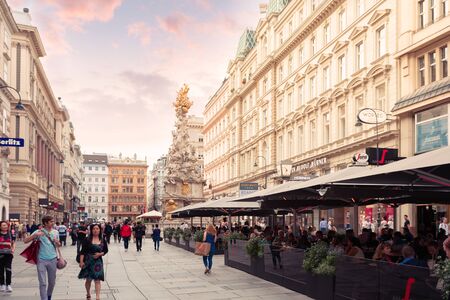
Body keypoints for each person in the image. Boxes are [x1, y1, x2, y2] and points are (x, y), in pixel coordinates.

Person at [24, 215, 61, 300]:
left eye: (53, 221)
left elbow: (58, 245)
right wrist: (35, 235)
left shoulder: (55, 232)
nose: (53, 223)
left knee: (52, 282)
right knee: (43, 282)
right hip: (41, 260)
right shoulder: (38, 231)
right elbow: (25, 241)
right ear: (45, 223)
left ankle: (49, 296)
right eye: (51, 221)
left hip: (53, 259)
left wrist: (57, 242)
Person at [78, 224, 108, 300]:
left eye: (97, 229)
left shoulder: (102, 239)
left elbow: (106, 250)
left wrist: (100, 254)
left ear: (100, 230)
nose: (95, 230)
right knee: (88, 279)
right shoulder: (87, 239)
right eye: (94, 229)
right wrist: (81, 262)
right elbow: (82, 251)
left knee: (97, 279)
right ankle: (88, 293)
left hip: (98, 262)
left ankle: (98, 297)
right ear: (91, 230)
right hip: (88, 261)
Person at [0, 221, 15, 292]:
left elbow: (13, 243)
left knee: (8, 270)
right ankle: (2, 284)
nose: (5, 226)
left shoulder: (10, 234)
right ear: (0, 227)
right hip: (0, 254)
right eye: (3, 225)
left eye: (6, 225)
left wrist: (13, 249)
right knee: (1, 270)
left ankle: (8, 285)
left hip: (8, 255)